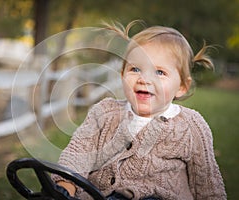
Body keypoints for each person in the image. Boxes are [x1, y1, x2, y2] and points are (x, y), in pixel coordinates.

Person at [51, 21, 227, 200]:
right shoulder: (104, 112)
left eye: (159, 72)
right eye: (135, 69)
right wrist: (65, 187)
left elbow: (208, 187)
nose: (144, 79)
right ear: (122, 75)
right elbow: (78, 153)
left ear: (182, 86)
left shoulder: (191, 126)